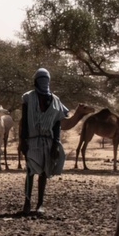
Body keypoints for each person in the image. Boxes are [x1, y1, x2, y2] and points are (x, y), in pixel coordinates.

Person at [16, 67, 69, 214]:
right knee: (30, 172)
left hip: (48, 141)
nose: (43, 82)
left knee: (44, 173)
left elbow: (58, 123)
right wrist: (23, 141)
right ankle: (27, 202)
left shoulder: (56, 101)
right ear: (36, 82)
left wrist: (56, 143)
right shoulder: (28, 97)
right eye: (41, 80)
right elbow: (25, 121)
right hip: (31, 141)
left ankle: (40, 204)